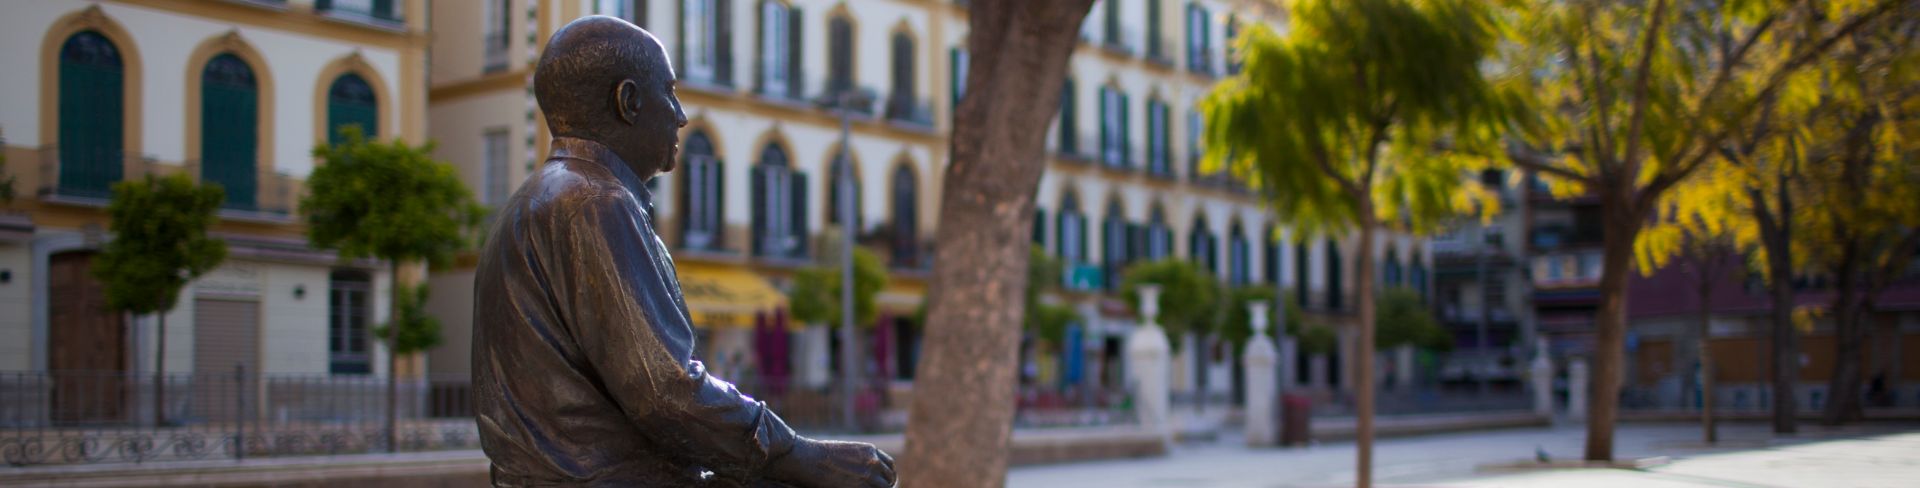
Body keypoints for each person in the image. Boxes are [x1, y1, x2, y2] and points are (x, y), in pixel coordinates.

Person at [471, 16, 896, 487]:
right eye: (669, 92)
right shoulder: (595, 202)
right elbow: (665, 391)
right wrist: (799, 454)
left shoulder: (536, 202)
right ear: (628, 102)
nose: (680, 115)